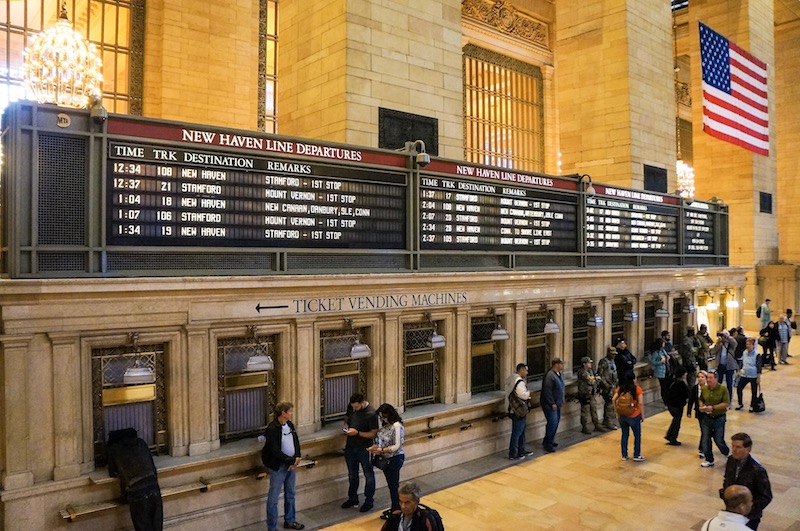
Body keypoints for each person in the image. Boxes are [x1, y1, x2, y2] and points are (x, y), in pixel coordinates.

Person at [106, 428, 163, 531]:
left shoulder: (114, 449)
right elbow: (153, 468)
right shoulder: (141, 443)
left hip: (137, 493)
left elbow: (113, 473)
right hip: (154, 488)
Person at [262, 402, 305, 531]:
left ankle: (290, 520)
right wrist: (290, 461)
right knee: (273, 499)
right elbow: (275, 450)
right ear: (283, 413)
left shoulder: (290, 425)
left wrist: (297, 456)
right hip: (278, 467)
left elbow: (295, 441)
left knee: (291, 493)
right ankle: (272, 527)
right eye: (290, 411)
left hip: (290, 465)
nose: (292, 413)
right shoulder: (272, 429)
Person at [721, 433, 773, 530]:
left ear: (747, 449)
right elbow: (727, 479)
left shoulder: (757, 470)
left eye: (738, 447)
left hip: (749, 517)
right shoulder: (731, 461)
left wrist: (748, 510)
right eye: (732, 446)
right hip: (732, 512)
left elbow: (766, 496)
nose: (734, 450)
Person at [342, 393, 379, 512]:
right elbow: (347, 416)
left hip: (365, 448)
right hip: (350, 447)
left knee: (368, 474)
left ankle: (369, 500)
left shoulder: (371, 414)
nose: (354, 409)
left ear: (363, 403)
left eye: (357, 407)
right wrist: (346, 424)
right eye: (353, 407)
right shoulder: (351, 407)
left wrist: (357, 433)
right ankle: (353, 497)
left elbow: (373, 433)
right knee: (352, 474)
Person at [369, 403, 406, 520]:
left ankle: (397, 510)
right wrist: (375, 448)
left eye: (384, 416)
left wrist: (382, 450)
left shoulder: (396, 426)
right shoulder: (385, 426)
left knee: (394, 485)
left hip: (395, 458)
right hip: (386, 459)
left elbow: (397, 445)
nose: (383, 418)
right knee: (391, 485)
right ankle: (395, 507)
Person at [699, 369, 730, 467]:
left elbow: (726, 403)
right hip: (707, 418)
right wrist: (702, 406)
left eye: (710, 378)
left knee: (718, 439)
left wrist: (713, 408)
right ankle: (709, 459)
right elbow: (701, 399)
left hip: (719, 418)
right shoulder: (704, 389)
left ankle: (726, 453)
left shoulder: (723, 389)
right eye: (707, 378)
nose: (708, 380)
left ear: (716, 379)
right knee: (705, 439)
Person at [613, 373, 645, 461]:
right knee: (637, 435)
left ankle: (624, 455)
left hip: (622, 415)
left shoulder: (621, 389)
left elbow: (613, 399)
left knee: (625, 435)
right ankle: (636, 455)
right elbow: (641, 403)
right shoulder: (637, 389)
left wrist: (617, 411)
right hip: (633, 415)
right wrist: (642, 415)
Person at [506, 363, 533, 459]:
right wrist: (528, 393)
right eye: (525, 370)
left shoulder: (511, 379)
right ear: (521, 370)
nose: (527, 373)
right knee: (518, 432)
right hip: (518, 411)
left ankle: (520, 450)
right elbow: (523, 395)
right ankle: (514, 453)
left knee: (519, 431)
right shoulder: (519, 382)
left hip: (512, 409)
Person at [541, 358, 565, 453]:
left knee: (555, 422)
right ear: (556, 365)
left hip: (558, 403)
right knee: (552, 423)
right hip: (550, 404)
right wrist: (552, 403)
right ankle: (548, 444)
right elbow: (547, 391)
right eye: (561, 364)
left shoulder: (559, 374)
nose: (563, 366)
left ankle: (549, 439)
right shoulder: (550, 376)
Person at [710, 329, 738, 401]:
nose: (722, 337)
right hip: (720, 365)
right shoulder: (719, 343)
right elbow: (713, 351)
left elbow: (735, 344)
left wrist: (728, 337)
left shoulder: (730, 343)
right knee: (718, 383)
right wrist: (719, 342)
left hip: (729, 366)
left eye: (723, 335)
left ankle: (729, 399)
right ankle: (718, 398)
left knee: (729, 383)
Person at [664, 366, 689, 445]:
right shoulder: (681, 384)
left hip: (670, 404)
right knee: (677, 422)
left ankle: (669, 435)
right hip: (678, 405)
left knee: (675, 420)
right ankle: (673, 438)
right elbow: (686, 394)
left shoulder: (671, 381)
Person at [577, 356, 602, 434]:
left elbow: (595, 379)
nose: (590, 364)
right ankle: (584, 427)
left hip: (591, 394)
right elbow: (590, 380)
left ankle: (596, 424)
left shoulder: (590, 371)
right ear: (584, 364)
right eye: (589, 363)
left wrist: (595, 379)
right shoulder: (582, 372)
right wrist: (595, 378)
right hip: (585, 395)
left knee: (594, 409)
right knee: (585, 412)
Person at [735, 338, 762, 412]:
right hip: (744, 374)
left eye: (749, 344)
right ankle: (740, 403)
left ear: (753, 345)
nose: (748, 346)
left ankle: (752, 405)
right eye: (747, 344)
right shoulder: (744, 352)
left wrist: (758, 377)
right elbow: (742, 361)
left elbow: (759, 366)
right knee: (739, 388)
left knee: (754, 391)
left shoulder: (757, 354)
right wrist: (739, 370)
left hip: (753, 375)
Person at [687, 369, 709, 458]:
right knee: (704, 431)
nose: (700, 379)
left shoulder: (710, 387)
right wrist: (689, 411)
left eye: (702, 377)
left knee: (706, 431)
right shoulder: (695, 388)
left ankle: (704, 447)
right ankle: (702, 449)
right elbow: (691, 400)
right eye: (699, 377)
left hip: (709, 412)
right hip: (700, 412)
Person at [596, 346, 619, 430]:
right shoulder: (603, 362)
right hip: (606, 387)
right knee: (609, 403)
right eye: (612, 354)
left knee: (611, 404)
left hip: (613, 385)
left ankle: (608, 419)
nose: (614, 356)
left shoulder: (612, 361)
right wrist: (606, 385)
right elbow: (600, 375)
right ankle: (607, 420)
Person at [648, 337, 669, 405]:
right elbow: (653, 361)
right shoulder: (655, 353)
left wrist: (667, 358)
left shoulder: (663, 351)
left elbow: (666, 356)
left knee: (666, 385)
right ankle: (665, 400)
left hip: (665, 369)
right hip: (660, 371)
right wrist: (660, 362)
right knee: (663, 386)